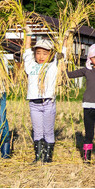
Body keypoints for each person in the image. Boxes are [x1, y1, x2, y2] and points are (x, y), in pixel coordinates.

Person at [23, 33, 63, 163]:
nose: (41, 56)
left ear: (51, 55)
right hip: (34, 104)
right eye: (38, 53)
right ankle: (38, 157)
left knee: (48, 131)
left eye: (45, 53)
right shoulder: (30, 66)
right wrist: (28, 33)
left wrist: (66, 36)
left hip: (48, 103)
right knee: (38, 131)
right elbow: (27, 50)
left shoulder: (53, 66)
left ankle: (48, 158)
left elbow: (62, 53)